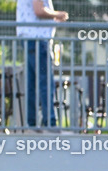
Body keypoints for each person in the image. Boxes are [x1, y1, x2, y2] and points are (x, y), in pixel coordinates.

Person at [16, 0, 68, 130]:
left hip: (30, 38)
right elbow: (39, 10)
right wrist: (57, 15)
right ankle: (49, 122)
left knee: (32, 83)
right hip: (38, 40)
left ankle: (32, 123)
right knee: (46, 83)